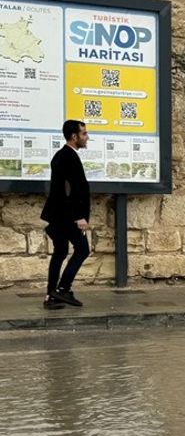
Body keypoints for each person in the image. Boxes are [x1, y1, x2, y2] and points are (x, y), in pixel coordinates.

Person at [41, 120, 91, 309]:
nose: (87, 137)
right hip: (68, 217)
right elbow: (69, 190)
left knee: (60, 252)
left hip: (59, 216)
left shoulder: (63, 156)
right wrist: (79, 217)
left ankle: (50, 297)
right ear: (74, 136)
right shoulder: (68, 157)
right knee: (82, 250)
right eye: (84, 134)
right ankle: (62, 289)